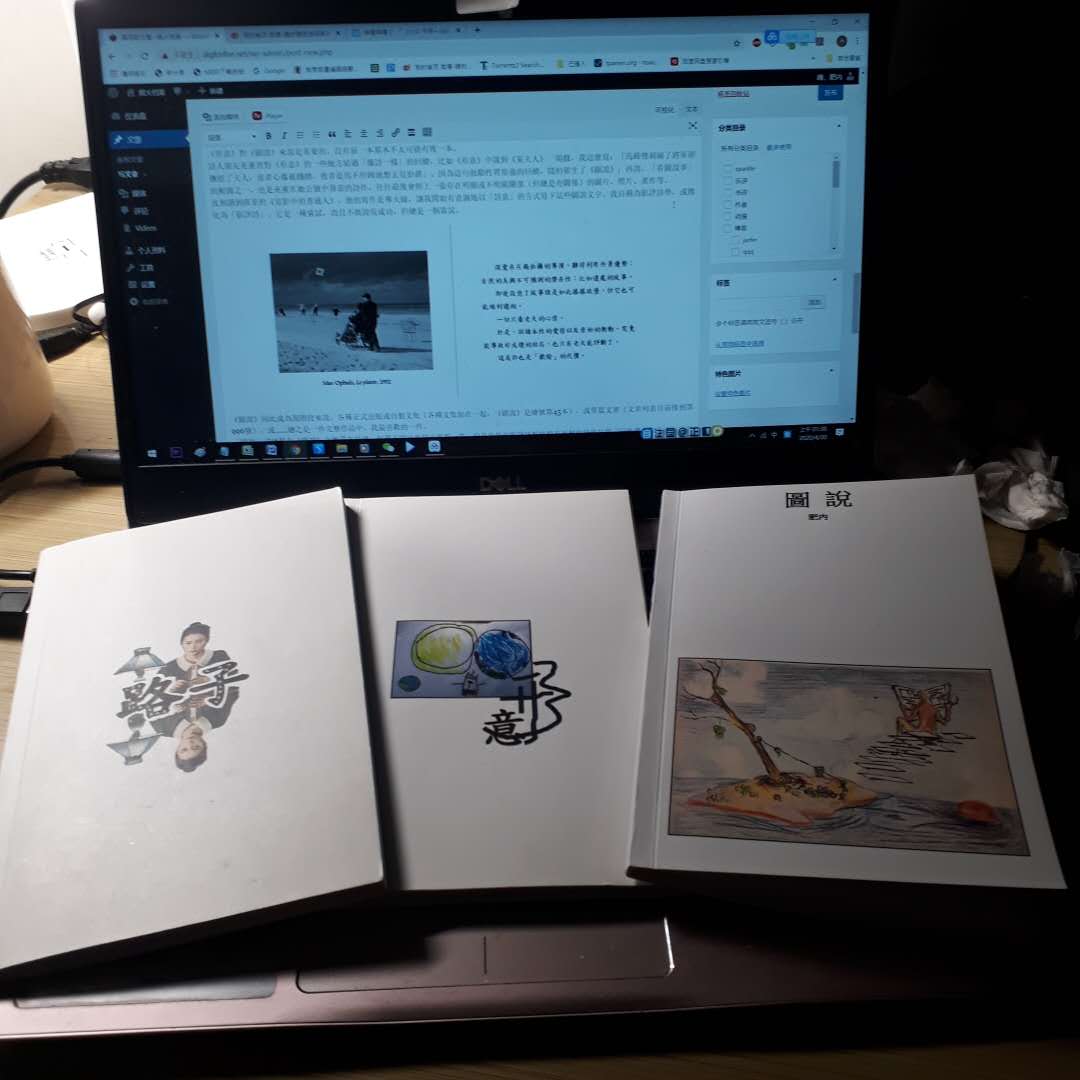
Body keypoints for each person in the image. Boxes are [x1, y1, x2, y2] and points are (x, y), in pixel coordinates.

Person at [151, 622, 238, 772]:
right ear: (204, 745)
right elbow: (232, 692)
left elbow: (152, 698)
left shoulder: (161, 727)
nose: (190, 743)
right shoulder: (218, 720)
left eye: (184, 749)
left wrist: (170, 693)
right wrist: (210, 695)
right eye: (196, 747)